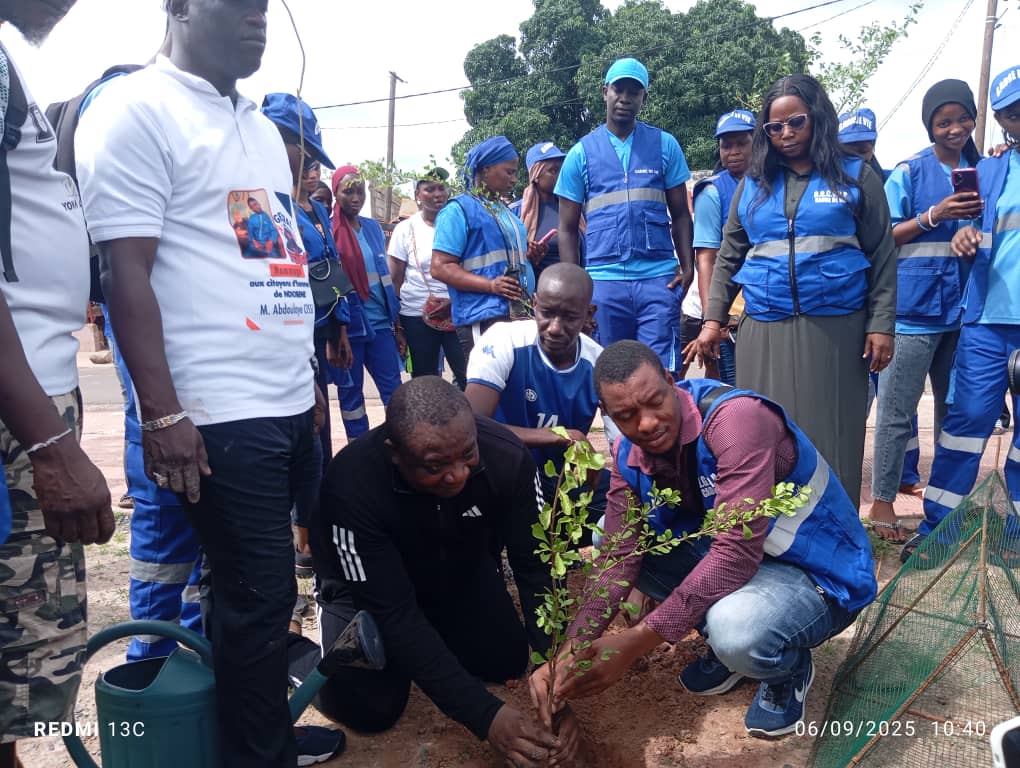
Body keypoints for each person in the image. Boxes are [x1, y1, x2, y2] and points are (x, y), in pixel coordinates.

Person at [75, 1, 324, 763]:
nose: (258, 17)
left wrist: (306, 391)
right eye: (237, 4)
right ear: (178, 7)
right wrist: (161, 415)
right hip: (218, 412)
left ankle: (244, 739)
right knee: (258, 605)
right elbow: (126, 274)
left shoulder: (252, 122)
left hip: (285, 402)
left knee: (253, 606)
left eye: (263, 7)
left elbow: (268, 261)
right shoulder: (135, 111)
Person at [529, 340, 877, 738]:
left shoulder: (735, 420)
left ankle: (786, 667)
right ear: (607, 415)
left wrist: (636, 643)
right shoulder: (629, 453)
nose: (645, 423)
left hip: (817, 573)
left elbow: (735, 554)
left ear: (671, 381)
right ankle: (729, 651)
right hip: (750, 564)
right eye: (626, 415)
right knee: (611, 533)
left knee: (736, 631)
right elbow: (617, 556)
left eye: (654, 401)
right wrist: (571, 650)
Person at [294, 376, 579, 767]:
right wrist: (485, 716)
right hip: (366, 592)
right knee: (371, 707)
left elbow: (535, 565)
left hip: (456, 569)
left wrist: (554, 671)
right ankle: (291, 654)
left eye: (467, 454)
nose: (458, 474)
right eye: (435, 465)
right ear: (395, 453)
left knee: (505, 660)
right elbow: (394, 614)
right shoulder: (353, 483)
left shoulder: (507, 457)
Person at [693, 73, 897, 509]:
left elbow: (881, 254)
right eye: (774, 127)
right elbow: (729, 253)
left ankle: (837, 537)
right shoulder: (754, 183)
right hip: (763, 326)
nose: (785, 134)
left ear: (817, 119)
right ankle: (770, 539)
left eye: (796, 122)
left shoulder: (856, 177)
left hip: (836, 327)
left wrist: (881, 325)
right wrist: (713, 319)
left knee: (831, 434)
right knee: (763, 436)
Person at [0, 4, 115, 765]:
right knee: (27, 654)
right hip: (20, 405)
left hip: (30, 392)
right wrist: (47, 438)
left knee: (24, 666)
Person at [869, 84, 983, 544]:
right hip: (913, 314)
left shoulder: (985, 171)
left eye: (963, 119)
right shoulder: (908, 173)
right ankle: (881, 504)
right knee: (897, 413)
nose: (955, 129)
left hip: (965, 311)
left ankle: (947, 503)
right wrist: (934, 215)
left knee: (956, 414)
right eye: (943, 122)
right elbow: (884, 237)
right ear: (930, 127)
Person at [914, 67, 1020, 561]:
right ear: (999, 120)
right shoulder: (991, 169)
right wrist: (962, 236)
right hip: (985, 322)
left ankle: (1015, 532)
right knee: (966, 423)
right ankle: (938, 530)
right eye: (1013, 113)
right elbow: (970, 226)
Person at [556, 57, 695, 373]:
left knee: (659, 371)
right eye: (619, 89)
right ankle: (614, 426)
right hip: (604, 282)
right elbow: (566, 228)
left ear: (643, 97)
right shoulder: (581, 153)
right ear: (605, 91)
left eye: (635, 91)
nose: (625, 98)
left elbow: (682, 215)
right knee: (610, 371)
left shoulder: (665, 145)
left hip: (658, 278)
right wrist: (572, 284)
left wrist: (688, 268)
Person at [464, 263, 613, 520]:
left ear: (589, 314)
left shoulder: (598, 363)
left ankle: (554, 545)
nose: (554, 327)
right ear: (534, 303)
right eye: (547, 313)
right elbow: (470, 427)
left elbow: (623, 444)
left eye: (569, 317)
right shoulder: (504, 341)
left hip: (557, 480)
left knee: (624, 498)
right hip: (500, 471)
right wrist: (560, 436)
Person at [837, 108, 925, 509]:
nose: (863, 152)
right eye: (854, 146)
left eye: (868, 144)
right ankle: (845, 472)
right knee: (860, 401)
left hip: (888, 305)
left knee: (897, 400)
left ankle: (903, 475)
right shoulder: (835, 186)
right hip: (850, 304)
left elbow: (886, 250)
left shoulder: (885, 182)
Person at [431, 135, 539, 359]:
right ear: (486, 169)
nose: (514, 179)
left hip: (517, 312)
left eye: (515, 172)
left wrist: (530, 258)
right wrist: (491, 286)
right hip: (482, 316)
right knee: (488, 386)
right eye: (508, 172)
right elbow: (440, 267)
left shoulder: (505, 211)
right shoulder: (459, 209)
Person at [680, 109, 756, 385]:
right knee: (732, 389)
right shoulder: (713, 192)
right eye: (726, 145)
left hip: (766, 306)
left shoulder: (774, 185)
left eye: (741, 143)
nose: (733, 152)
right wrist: (714, 317)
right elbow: (706, 259)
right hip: (730, 312)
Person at [329, 166, 403, 439]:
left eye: (360, 191)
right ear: (336, 193)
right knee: (351, 395)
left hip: (381, 324)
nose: (356, 198)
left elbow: (385, 279)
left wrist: (397, 325)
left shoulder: (372, 228)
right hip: (350, 328)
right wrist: (337, 332)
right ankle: (356, 450)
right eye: (348, 191)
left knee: (395, 393)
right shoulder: (329, 230)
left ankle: (400, 444)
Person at [387, 166, 468, 388]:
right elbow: (395, 279)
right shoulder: (405, 229)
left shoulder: (460, 224)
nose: (437, 194)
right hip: (416, 314)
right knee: (425, 381)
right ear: (417, 195)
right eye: (429, 189)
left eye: (441, 188)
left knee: (467, 375)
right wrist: (397, 326)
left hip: (457, 311)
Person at [510, 141, 580, 279]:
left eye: (562, 169)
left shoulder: (574, 207)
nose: (560, 175)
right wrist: (529, 256)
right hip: (538, 295)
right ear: (536, 175)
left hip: (575, 289)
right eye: (553, 171)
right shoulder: (515, 213)